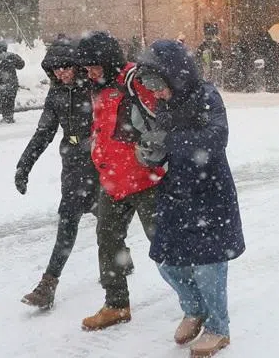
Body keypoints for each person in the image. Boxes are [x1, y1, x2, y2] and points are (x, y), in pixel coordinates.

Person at [135, 40, 245, 358]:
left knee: (209, 264)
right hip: (175, 191)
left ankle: (218, 328)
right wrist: (152, 154)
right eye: (150, 86)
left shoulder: (207, 96)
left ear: (175, 76)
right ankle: (194, 308)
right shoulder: (163, 103)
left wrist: (170, 140)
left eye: (158, 85)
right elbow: (167, 146)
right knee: (167, 260)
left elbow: (215, 139)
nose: (155, 94)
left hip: (210, 193)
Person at [75, 31, 166, 331]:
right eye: (86, 67)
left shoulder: (134, 80)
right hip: (112, 181)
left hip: (146, 180)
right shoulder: (97, 86)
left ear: (109, 61)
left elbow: (163, 115)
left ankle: (196, 302)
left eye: (94, 66)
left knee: (165, 245)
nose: (89, 72)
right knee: (109, 240)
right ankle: (116, 304)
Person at [14, 35, 105, 309]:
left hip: (98, 160)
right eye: (55, 68)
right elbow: (43, 133)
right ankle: (50, 284)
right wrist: (24, 165)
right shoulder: (55, 94)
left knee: (91, 216)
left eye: (66, 66)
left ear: (76, 65)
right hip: (73, 162)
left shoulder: (93, 88)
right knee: (78, 215)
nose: (61, 72)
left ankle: (111, 263)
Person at [0, 39, 25, 123]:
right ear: (5, 48)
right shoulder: (12, 56)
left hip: (0, 85)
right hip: (12, 84)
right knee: (11, 100)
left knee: (2, 101)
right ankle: (10, 116)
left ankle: (5, 116)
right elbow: (21, 65)